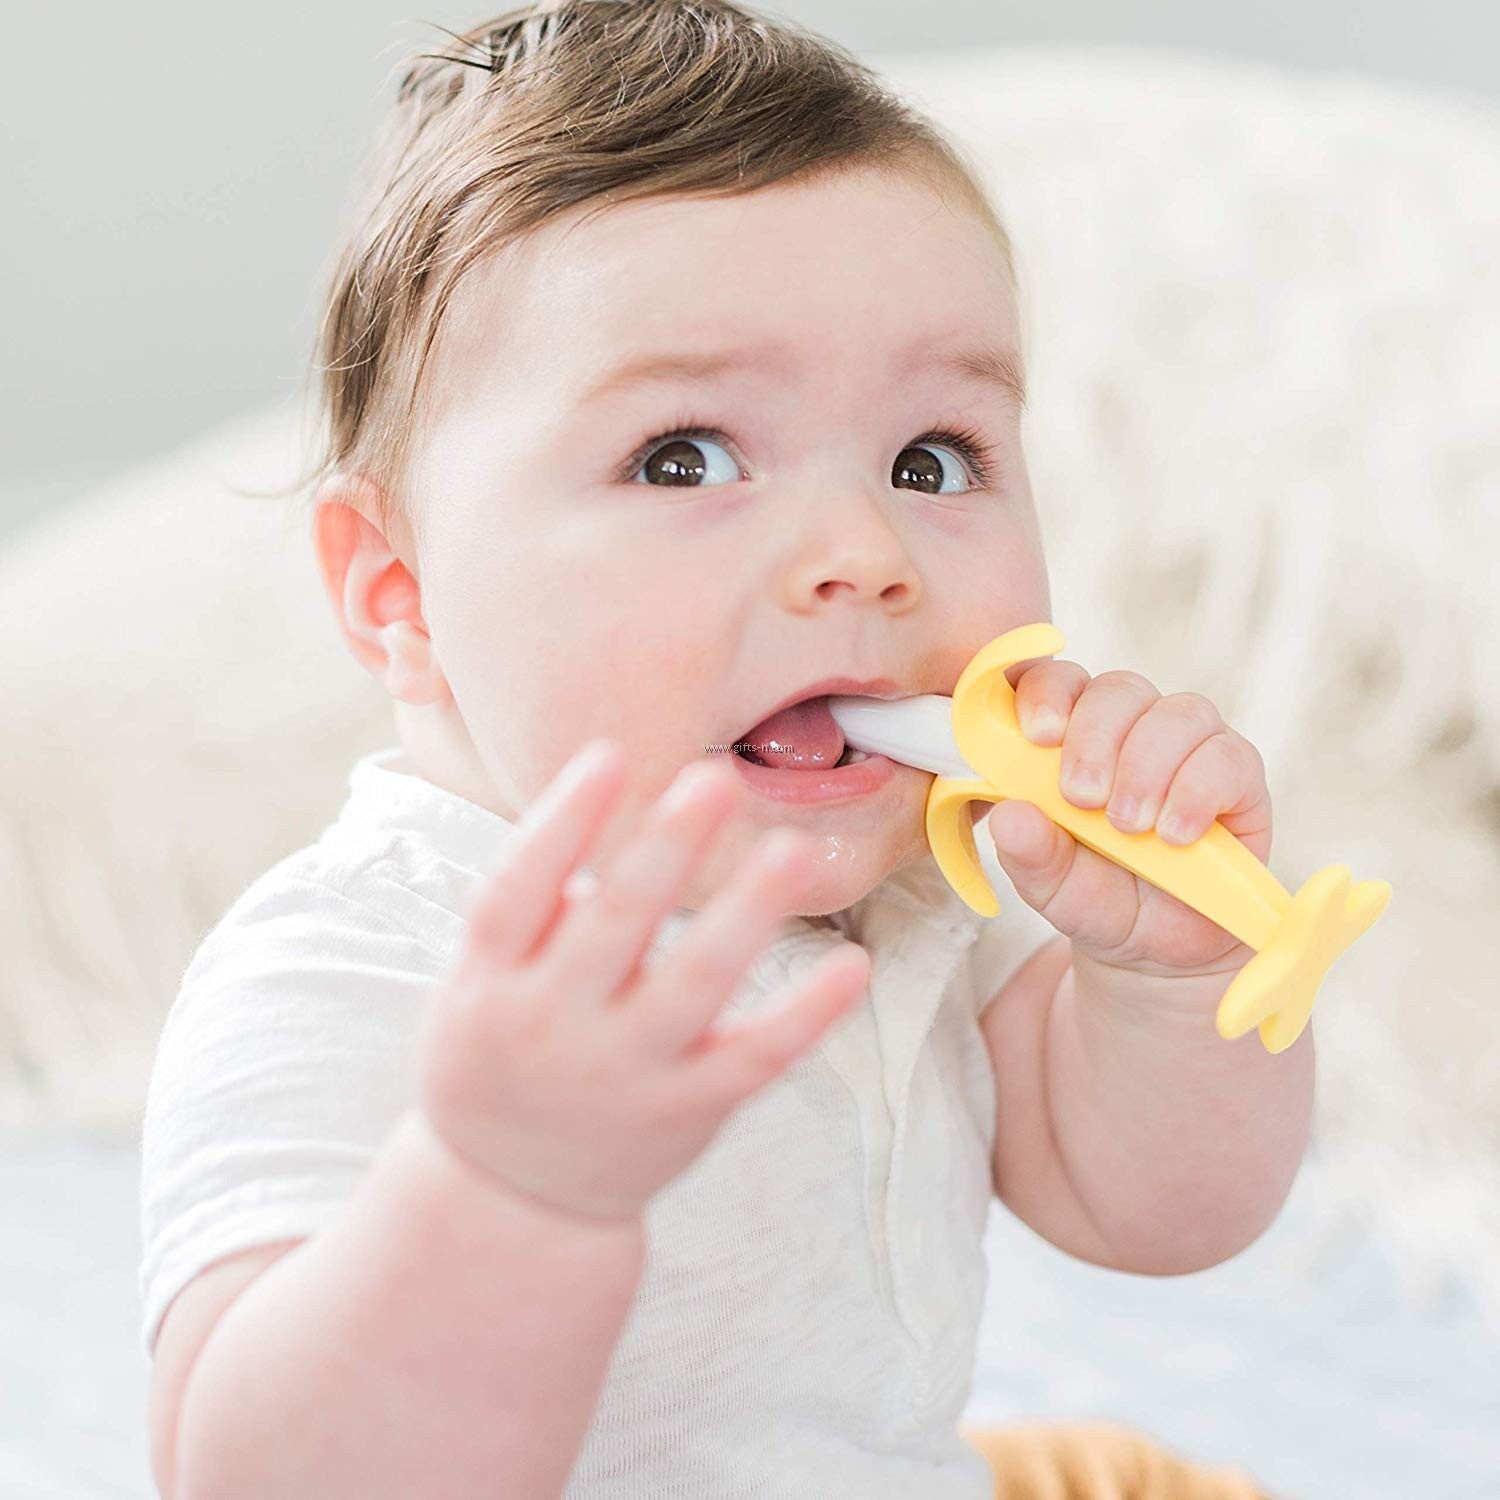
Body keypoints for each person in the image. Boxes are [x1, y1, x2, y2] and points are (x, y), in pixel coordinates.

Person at [139, 3, 1302, 1494]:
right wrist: (504, 1193)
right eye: (684, 458)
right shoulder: (359, 968)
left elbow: (1156, 1213)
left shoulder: (918, 894)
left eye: (931, 460)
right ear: (403, 596)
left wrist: (1171, 980)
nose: (864, 551)